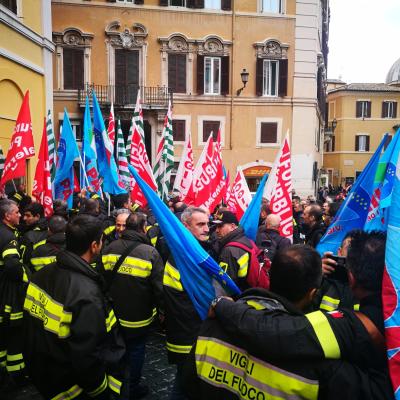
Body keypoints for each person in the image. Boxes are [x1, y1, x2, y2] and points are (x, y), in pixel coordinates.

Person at [207, 231, 393, 399]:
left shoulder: (359, 325)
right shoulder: (388, 312)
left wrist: (222, 304)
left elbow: (275, 332)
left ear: (351, 278)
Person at [23, 215, 125, 400]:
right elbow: (87, 356)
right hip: (71, 388)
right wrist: (100, 391)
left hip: (45, 375)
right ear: (94, 246)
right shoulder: (86, 294)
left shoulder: (40, 275)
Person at [102, 212, 164, 399]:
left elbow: (102, 279)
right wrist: (162, 311)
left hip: (112, 315)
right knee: (136, 351)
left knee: (115, 350)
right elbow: (159, 289)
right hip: (139, 317)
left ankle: (116, 385)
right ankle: (133, 387)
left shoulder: (108, 248)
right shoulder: (150, 253)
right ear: (143, 227)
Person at [163, 207, 212, 400]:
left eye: (208, 224)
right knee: (185, 386)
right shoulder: (180, 259)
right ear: (185, 226)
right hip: (187, 337)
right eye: (200, 224)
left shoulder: (197, 252)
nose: (207, 229)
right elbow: (179, 303)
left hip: (194, 335)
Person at [0, 200, 29, 385]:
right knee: (14, 335)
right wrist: (24, 276)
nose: (20, 215)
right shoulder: (8, 237)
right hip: (8, 293)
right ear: (7, 216)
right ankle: (16, 374)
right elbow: (12, 266)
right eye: (17, 212)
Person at [213, 210, 252, 289]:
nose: (216, 230)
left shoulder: (229, 250)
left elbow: (226, 284)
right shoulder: (245, 239)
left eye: (220, 226)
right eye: (216, 227)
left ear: (232, 226)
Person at [19, 202, 48, 266]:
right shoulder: (50, 228)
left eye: (28, 215)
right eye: (24, 215)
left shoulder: (29, 236)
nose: (24, 218)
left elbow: (24, 260)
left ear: (37, 216)